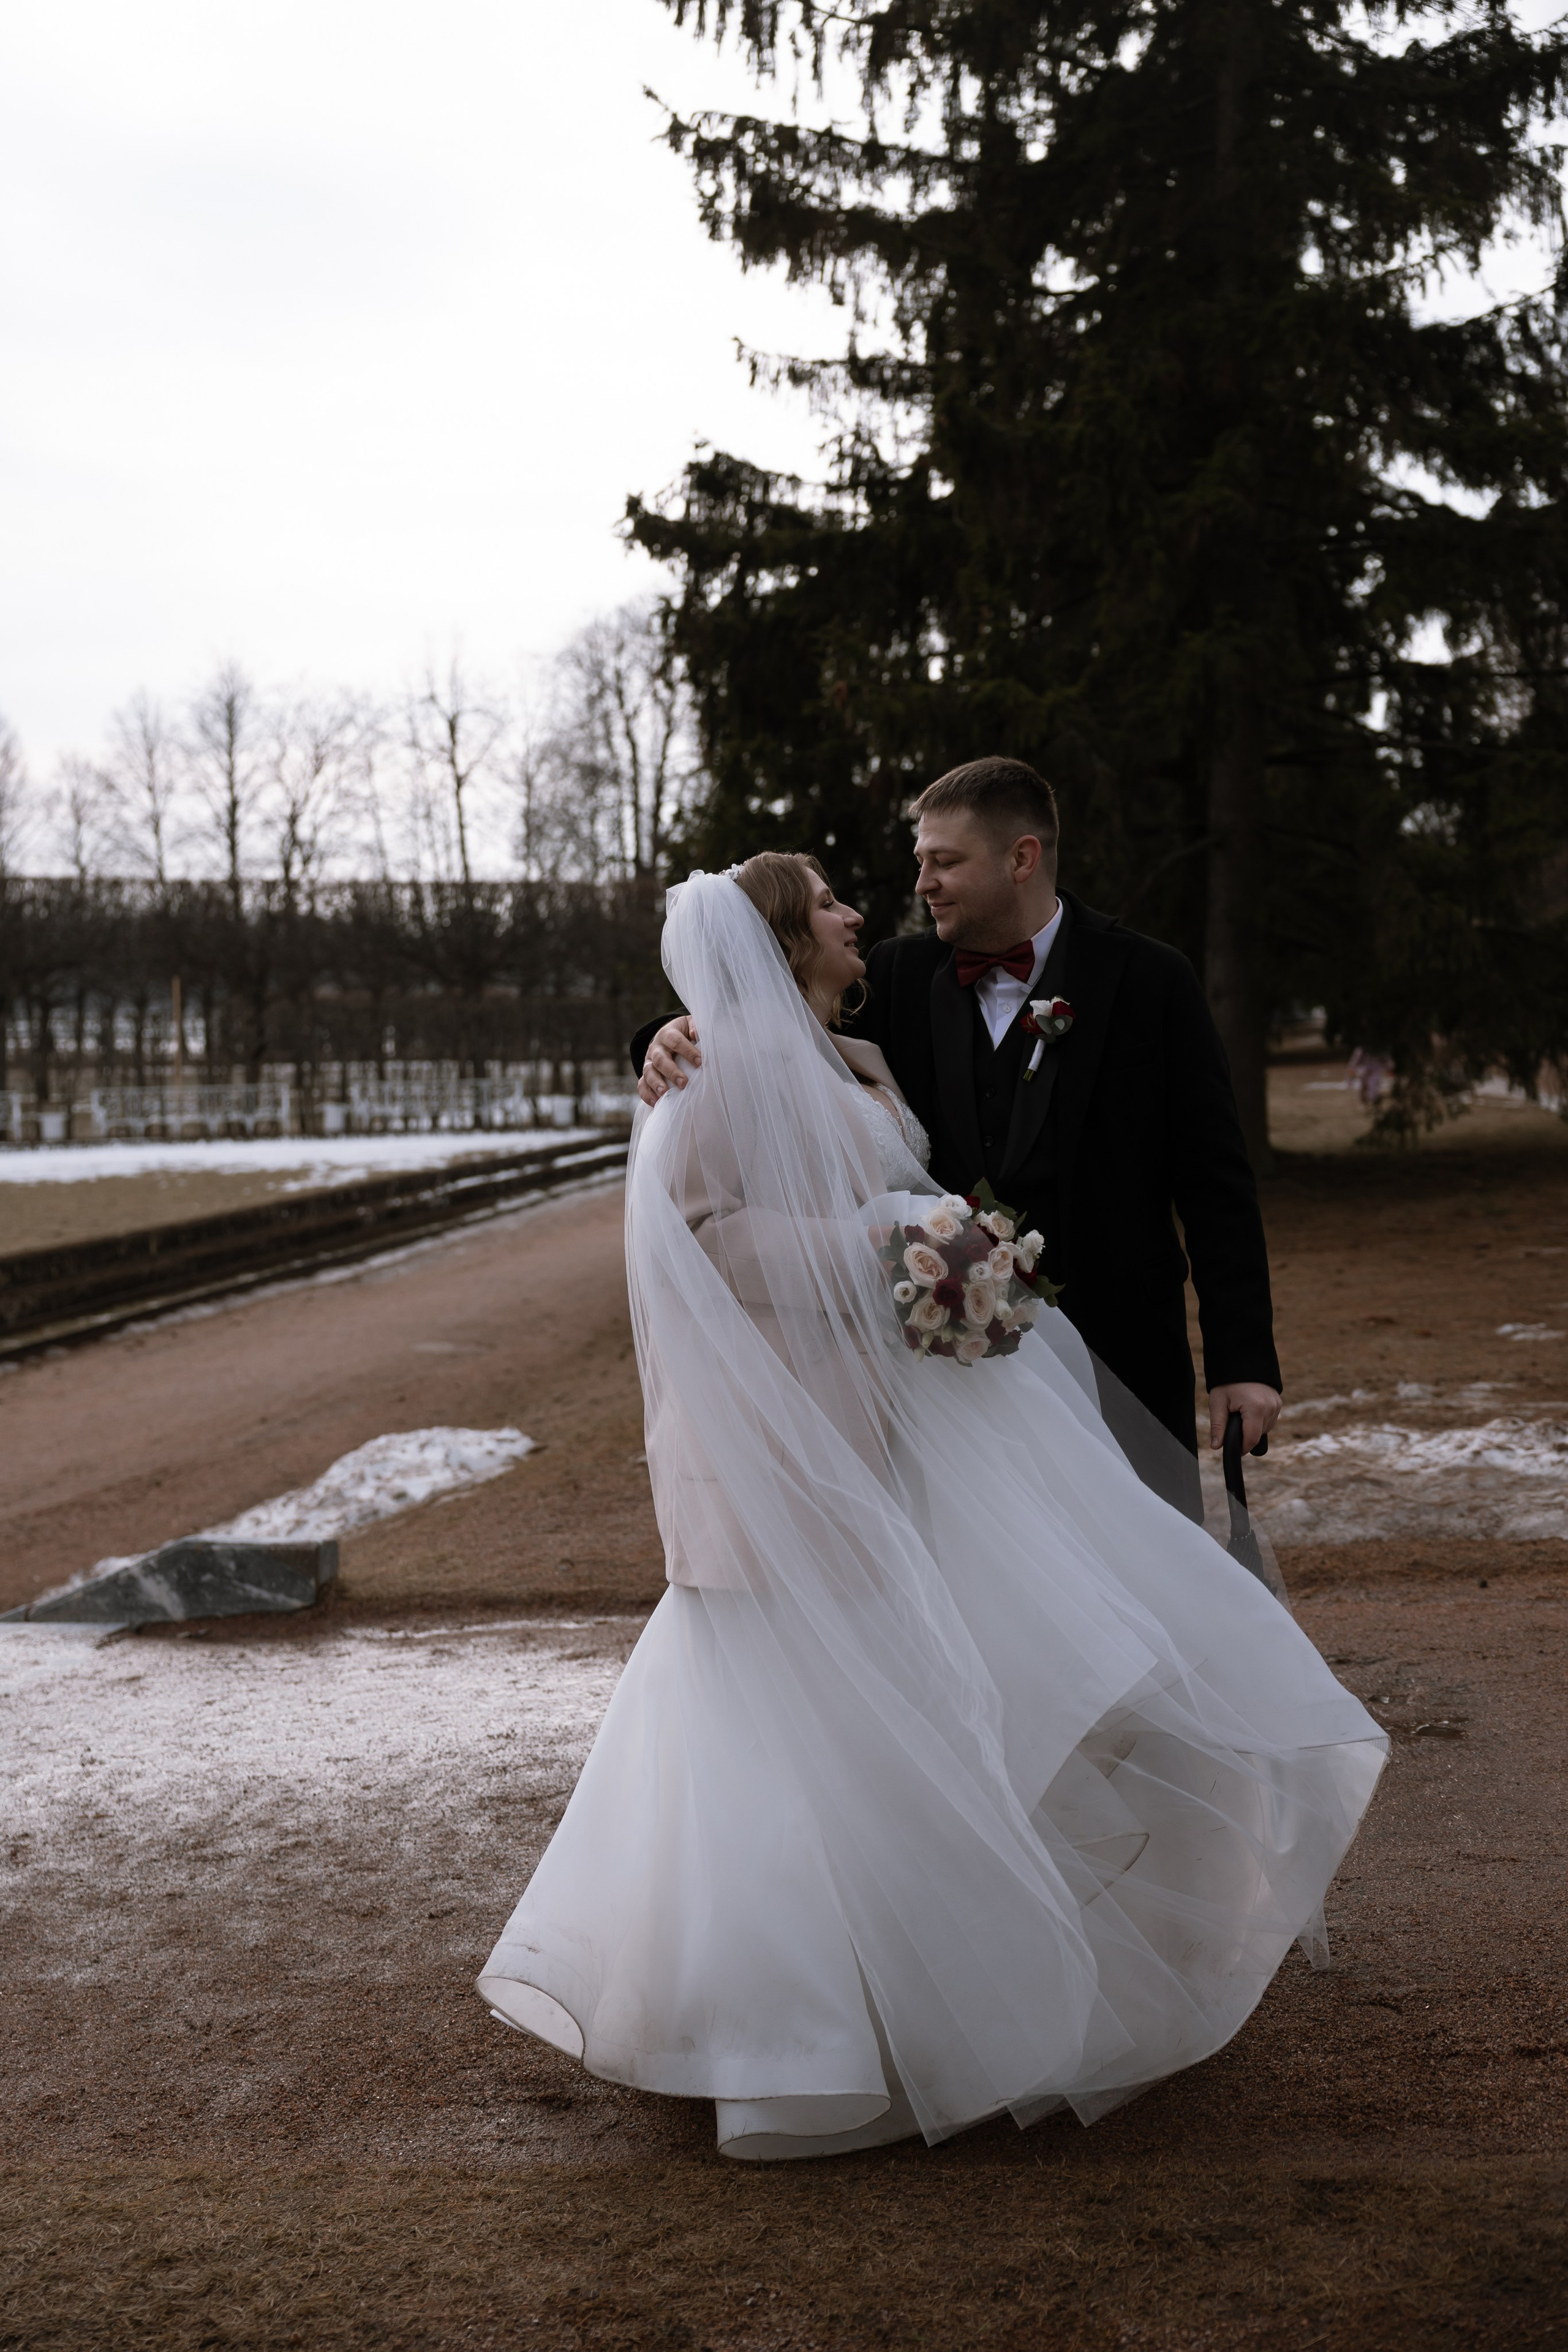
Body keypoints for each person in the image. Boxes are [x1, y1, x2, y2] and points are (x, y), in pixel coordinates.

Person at [478, 858, 1385, 2162]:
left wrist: (938, 1258)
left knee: (898, 1719)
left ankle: (892, 1994)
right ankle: (783, 2040)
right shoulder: (712, 1074)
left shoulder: (862, 1055)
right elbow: (699, 1234)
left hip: (889, 1444)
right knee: (770, 1744)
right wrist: (878, 1243)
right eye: (838, 901)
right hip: (776, 1462)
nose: (868, 914)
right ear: (789, 934)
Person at [634, 758, 1281, 1480]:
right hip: (952, 1368)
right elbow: (770, 1004)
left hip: (1121, 1354)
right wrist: (669, 1034)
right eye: (920, 861)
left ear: (1020, 859)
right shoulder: (898, 976)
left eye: (944, 862)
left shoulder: (1149, 979)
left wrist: (1243, 1359)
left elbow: (1214, 1181)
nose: (921, 883)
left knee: (1152, 1573)